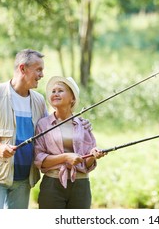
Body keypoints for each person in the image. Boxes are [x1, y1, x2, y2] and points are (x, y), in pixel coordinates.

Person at [0, 49, 91, 209]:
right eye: (38, 69)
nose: (42, 75)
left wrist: (80, 124)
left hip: (25, 179)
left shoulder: (38, 101)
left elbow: (52, 127)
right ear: (23, 68)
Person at [34, 76, 106, 209]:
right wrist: (67, 157)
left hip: (80, 185)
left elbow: (86, 161)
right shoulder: (43, 124)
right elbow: (39, 159)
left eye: (60, 90)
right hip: (52, 185)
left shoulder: (83, 125)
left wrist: (93, 155)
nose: (55, 93)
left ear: (72, 98)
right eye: (53, 91)